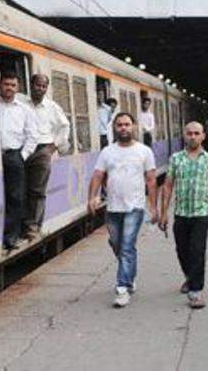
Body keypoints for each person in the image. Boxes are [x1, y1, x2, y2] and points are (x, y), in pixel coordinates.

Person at [88, 112, 158, 308]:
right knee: (117, 244)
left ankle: (122, 289)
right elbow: (97, 175)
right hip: (113, 207)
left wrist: (153, 207)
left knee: (126, 246)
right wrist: (92, 197)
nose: (124, 128)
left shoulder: (144, 151)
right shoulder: (107, 152)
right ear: (114, 128)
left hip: (135, 206)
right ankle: (129, 276)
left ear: (134, 126)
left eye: (127, 124)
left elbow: (151, 181)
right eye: (120, 125)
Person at [159, 122, 208, 309]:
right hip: (181, 213)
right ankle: (190, 276)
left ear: (203, 136)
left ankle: (196, 291)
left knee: (197, 251)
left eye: (197, 133)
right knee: (182, 251)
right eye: (189, 133)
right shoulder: (176, 159)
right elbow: (168, 186)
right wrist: (164, 213)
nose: (193, 136)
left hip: (201, 213)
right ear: (184, 136)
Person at [22, 74, 71, 241]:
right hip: (23, 149)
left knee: (37, 190)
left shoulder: (52, 107)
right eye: (38, 85)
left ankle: (33, 226)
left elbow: (65, 126)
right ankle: (21, 224)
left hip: (43, 150)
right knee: (21, 188)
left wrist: (54, 146)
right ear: (31, 85)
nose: (41, 89)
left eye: (44, 86)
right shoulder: (21, 103)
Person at [0, 72, 39, 252]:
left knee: (15, 197)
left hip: (14, 156)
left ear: (17, 88)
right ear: (0, 84)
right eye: (6, 84)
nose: (9, 88)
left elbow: (32, 135)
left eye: (13, 85)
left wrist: (22, 156)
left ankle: (10, 237)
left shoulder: (23, 109)